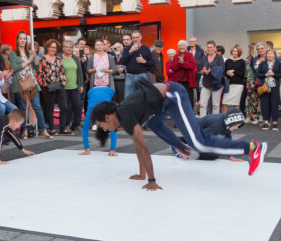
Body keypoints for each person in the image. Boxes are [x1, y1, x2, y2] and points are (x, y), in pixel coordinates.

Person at [90, 78, 266, 191]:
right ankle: (181, 146)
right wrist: (141, 174)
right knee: (153, 122)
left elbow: (143, 148)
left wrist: (151, 179)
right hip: (162, 104)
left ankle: (251, 148)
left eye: (101, 124)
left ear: (107, 116)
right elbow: (138, 147)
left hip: (173, 95)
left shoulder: (125, 115)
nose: (103, 129)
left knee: (199, 142)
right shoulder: (123, 118)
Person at [9, 31, 51, 139]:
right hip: (19, 83)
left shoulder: (29, 52)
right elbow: (14, 68)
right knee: (23, 107)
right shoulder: (13, 54)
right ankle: (25, 131)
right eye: (20, 38)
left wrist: (35, 57)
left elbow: (37, 67)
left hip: (32, 82)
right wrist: (28, 62)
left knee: (37, 106)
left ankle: (44, 130)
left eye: (24, 39)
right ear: (17, 40)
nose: (22, 40)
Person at [38, 39, 72, 136]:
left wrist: (64, 80)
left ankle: (63, 129)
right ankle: (52, 129)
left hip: (59, 85)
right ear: (47, 47)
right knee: (50, 108)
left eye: (55, 47)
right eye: (51, 47)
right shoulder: (42, 59)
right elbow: (39, 74)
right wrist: (44, 83)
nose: (53, 49)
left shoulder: (58, 59)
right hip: (48, 87)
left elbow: (62, 71)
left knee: (64, 107)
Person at [79, 86, 118, 157]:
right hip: (93, 91)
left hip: (104, 91)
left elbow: (85, 129)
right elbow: (84, 129)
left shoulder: (106, 111)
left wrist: (87, 149)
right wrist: (112, 150)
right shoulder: (91, 111)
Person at [120, 30, 154, 98]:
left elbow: (152, 63)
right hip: (129, 75)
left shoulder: (146, 48)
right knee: (128, 97)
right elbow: (122, 61)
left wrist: (144, 61)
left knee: (142, 97)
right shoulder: (128, 48)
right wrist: (130, 51)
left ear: (141, 38)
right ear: (132, 39)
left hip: (142, 75)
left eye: (137, 37)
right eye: (133, 37)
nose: (135, 39)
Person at [59, 40, 84, 132]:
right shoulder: (59, 58)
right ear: (63, 48)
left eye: (70, 47)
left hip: (75, 87)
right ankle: (66, 124)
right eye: (67, 47)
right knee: (66, 107)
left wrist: (81, 85)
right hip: (63, 87)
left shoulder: (75, 58)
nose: (69, 49)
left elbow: (80, 72)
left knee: (77, 105)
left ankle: (76, 124)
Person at [256, 48, 281, 131]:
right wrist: (265, 74)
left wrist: (273, 74)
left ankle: (275, 122)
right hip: (264, 86)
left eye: (271, 54)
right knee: (265, 105)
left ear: (274, 55)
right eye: (268, 54)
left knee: (274, 104)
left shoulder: (278, 63)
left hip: (274, 87)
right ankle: (266, 122)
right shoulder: (262, 63)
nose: (269, 55)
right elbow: (258, 74)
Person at [199, 41, 225, 117]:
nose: (209, 49)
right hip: (206, 83)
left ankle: (215, 122)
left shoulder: (219, 57)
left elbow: (222, 69)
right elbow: (199, 70)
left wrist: (211, 71)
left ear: (215, 48)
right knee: (203, 104)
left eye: (211, 47)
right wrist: (203, 71)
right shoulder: (204, 57)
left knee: (215, 105)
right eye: (208, 47)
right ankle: (202, 122)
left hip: (216, 84)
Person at [171, 40, 196, 105]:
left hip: (188, 81)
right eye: (180, 46)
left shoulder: (190, 55)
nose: (181, 47)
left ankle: (189, 113)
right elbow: (173, 68)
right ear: (178, 47)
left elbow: (192, 66)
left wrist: (183, 63)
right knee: (179, 99)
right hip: (178, 81)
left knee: (189, 99)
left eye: (183, 45)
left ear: (186, 47)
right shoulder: (176, 56)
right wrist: (179, 63)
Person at [222, 44, 246, 113]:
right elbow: (224, 72)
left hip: (238, 85)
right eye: (233, 51)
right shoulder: (227, 61)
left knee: (236, 103)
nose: (234, 52)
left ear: (239, 52)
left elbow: (243, 74)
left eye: (236, 51)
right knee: (224, 102)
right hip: (229, 85)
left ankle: (237, 120)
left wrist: (234, 71)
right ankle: (224, 118)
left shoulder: (242, 62)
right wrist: (228, 73)